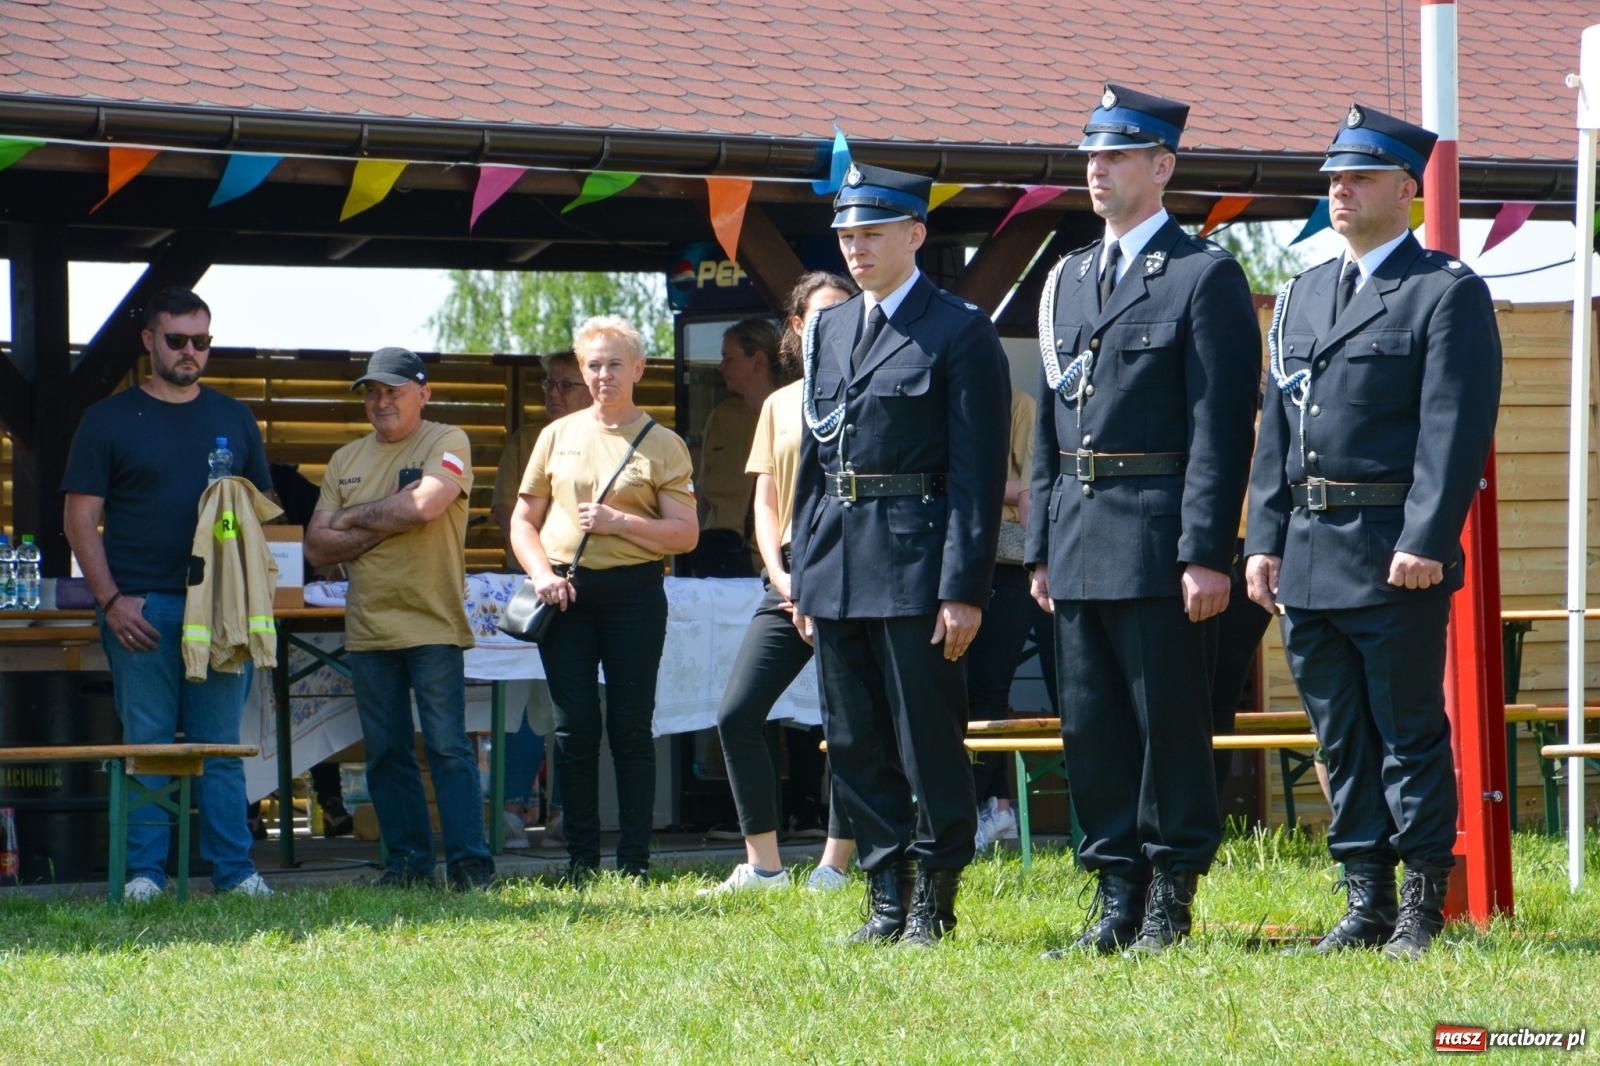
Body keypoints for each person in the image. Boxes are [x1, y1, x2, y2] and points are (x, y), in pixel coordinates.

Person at [1245, 104, 1501, 958]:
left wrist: (1427, 537)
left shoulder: (1444, 291)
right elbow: (1278, 432)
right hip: (1310, 552)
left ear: (1405, 189)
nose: (1340, 190)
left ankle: (1422, 904)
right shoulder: (1302, 293)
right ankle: (1365, 900)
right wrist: (1263, 539)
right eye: (1333, 177)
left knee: (1407, 732)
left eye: (1359, 177)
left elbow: (1453, 428)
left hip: (1393, 552)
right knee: (1341, 740)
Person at [1028, 85, 1259, 956]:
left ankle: (1170, 897)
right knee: (1091, 728)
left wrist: (1206, 551)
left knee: (1168, 725)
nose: (1098, 170)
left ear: (1162, 167)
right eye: (1092, 156)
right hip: (1079, 536)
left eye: (1117, 155)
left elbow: (1219, 427)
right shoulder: (1066, 279)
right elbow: (1051, 424)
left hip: (1160, 539)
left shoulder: (1203, 275)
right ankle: (1114, 893)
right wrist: (1041, 547)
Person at [790, 163, 1010, 946]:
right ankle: (887, 896)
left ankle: (934, 898)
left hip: (917, 564)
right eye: (846, 235)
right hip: (837, 560)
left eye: (872, 233)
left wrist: (964, 587)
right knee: (853, 741)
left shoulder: (959, 329)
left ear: (915, 235)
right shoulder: (829, 329)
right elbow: (815, 462)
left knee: (926, 741)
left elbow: (978, 476)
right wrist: (804, 575)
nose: (855, 248)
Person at [62, 285, 273, 900]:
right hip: (143, 606)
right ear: (149, 341)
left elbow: (260, 509)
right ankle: (144, 876)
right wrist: (111, 601)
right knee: (148, 744)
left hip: (223, 609)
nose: (190, 352)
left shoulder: (234, 417)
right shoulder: (106, 419)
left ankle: (236, 874)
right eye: (177, 339)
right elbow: (79, 519)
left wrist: (251, 593)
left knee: (223, 746)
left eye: (201, 341)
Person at [508, 315, 698, 884]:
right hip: (565, 594)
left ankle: (634, 862)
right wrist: (541, 573)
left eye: (615, 364)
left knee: (631, 728)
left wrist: (620, 522)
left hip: (634, 595)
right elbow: (523, 521)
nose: (603, 375)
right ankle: (581, 862)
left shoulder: (664, 443)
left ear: (639, 369)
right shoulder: (556, 435)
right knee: (573, 729)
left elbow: (685, 534)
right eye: (593, 365)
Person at [305, 347, 495, 891]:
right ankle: (408, 865)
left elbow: (424, 507)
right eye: (372, 391)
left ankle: (470, 866)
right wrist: (389, 513)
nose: (381, 401)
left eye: (393, 391)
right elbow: (317, 546)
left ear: (423, 394)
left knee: (448, 748)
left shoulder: (447, 440)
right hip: (369, 628)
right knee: (386, 754)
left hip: (432, 622)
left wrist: (350, 520)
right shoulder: (345, 458)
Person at [702, 271, 860, 895]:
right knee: (737, 713)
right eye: (821, 316)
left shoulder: (873, 389)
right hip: (789, 571)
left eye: (846, 313)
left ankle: (834, 866)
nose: (835, 326)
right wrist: (781, 576)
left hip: (853, 568)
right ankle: (764, 865)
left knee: (850, 722)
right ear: (796, 327)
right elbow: (765, 503)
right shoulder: (778, 403)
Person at [491, 353, 593, 848]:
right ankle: (511, 809)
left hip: (593, 585)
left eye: (566, 384)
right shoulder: (526, 439)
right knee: (523, 699)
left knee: (574, 700)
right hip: (534, 585)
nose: (553, 393)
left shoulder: (612, 437)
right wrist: (542, 566)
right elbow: (506, 511)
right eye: (548, 384)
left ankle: (566, 813)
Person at [969, 391, 1057, 852]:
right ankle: (996, 806)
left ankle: (987, 809)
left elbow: (1032, 488)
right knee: (971, 691)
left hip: (1008, 563)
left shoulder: (1018, 405)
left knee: (988, 690)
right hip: (962, 560)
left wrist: (965, 484)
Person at [679, 318, 783, 578]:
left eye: (729, 359)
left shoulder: (789, 412)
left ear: (758, 361)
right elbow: (702, 496)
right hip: (717, 561)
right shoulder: (721, 417)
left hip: (774, 568)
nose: (721, 367)